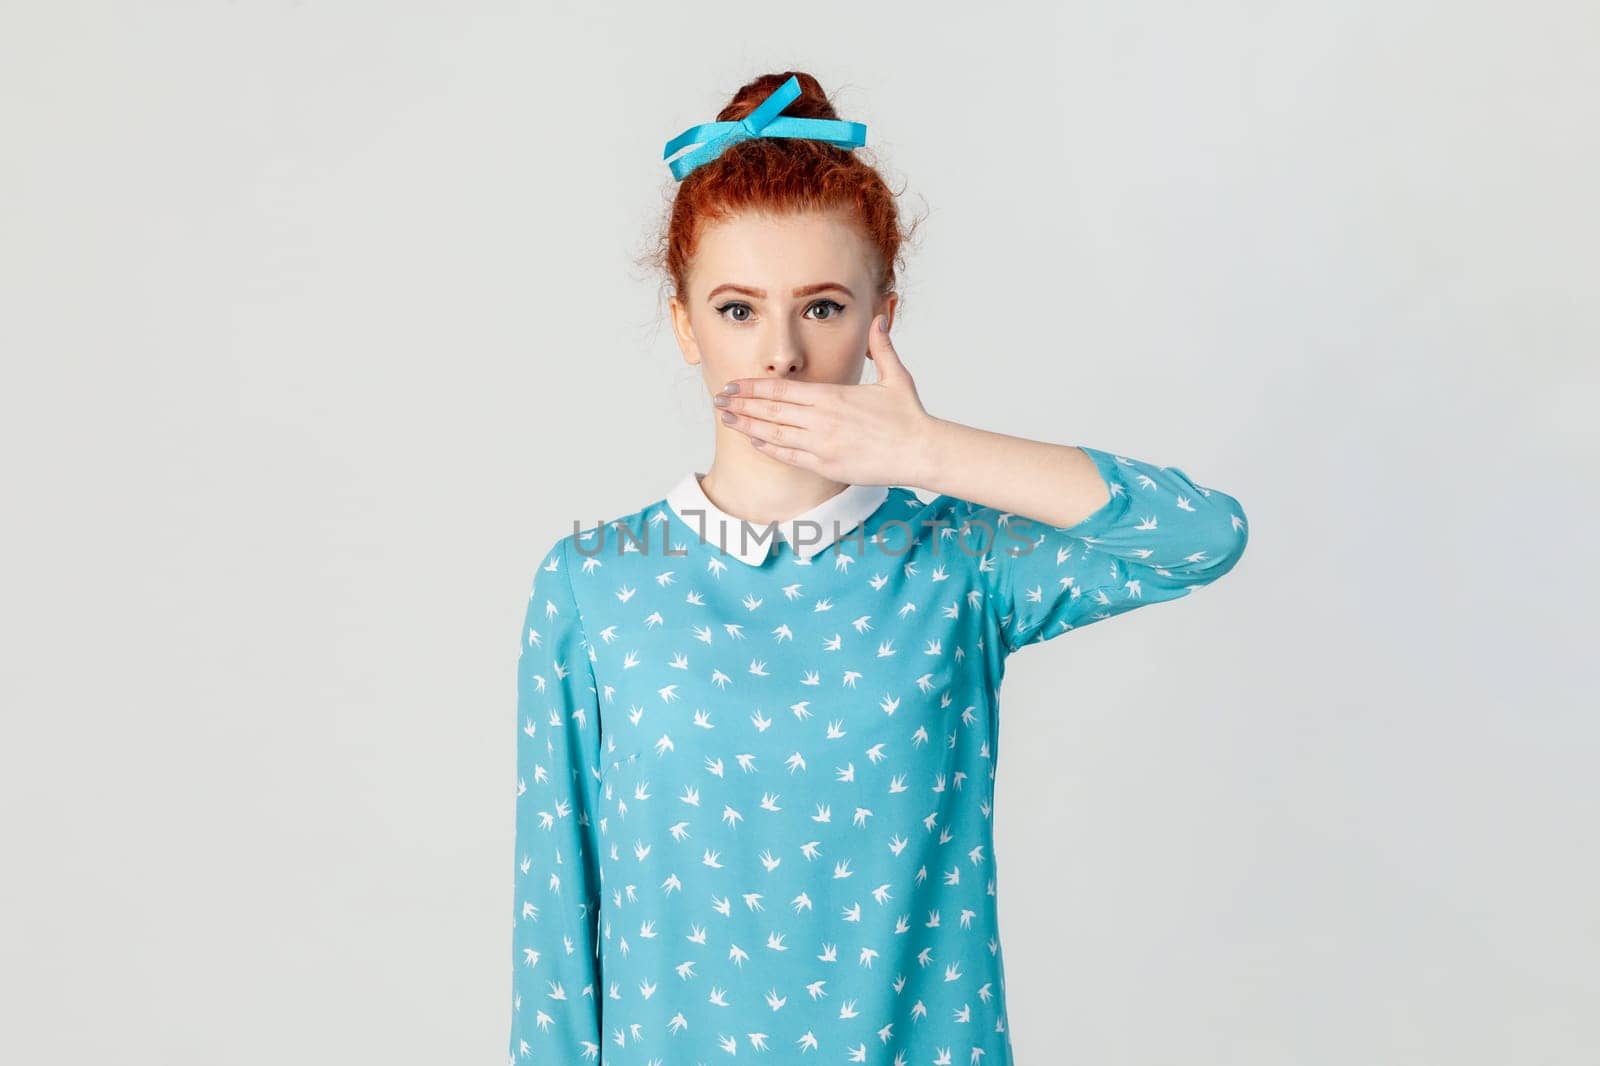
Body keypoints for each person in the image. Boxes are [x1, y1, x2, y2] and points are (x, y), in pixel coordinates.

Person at [507, 71, 1248, 1065]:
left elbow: (1198, 535)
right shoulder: (595, 582)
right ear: (684, 324)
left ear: (877, 321)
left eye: (820, 306)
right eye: (736, 310)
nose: (778, 355)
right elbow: (557, 922)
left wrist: (930, 453)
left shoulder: (957, 562)